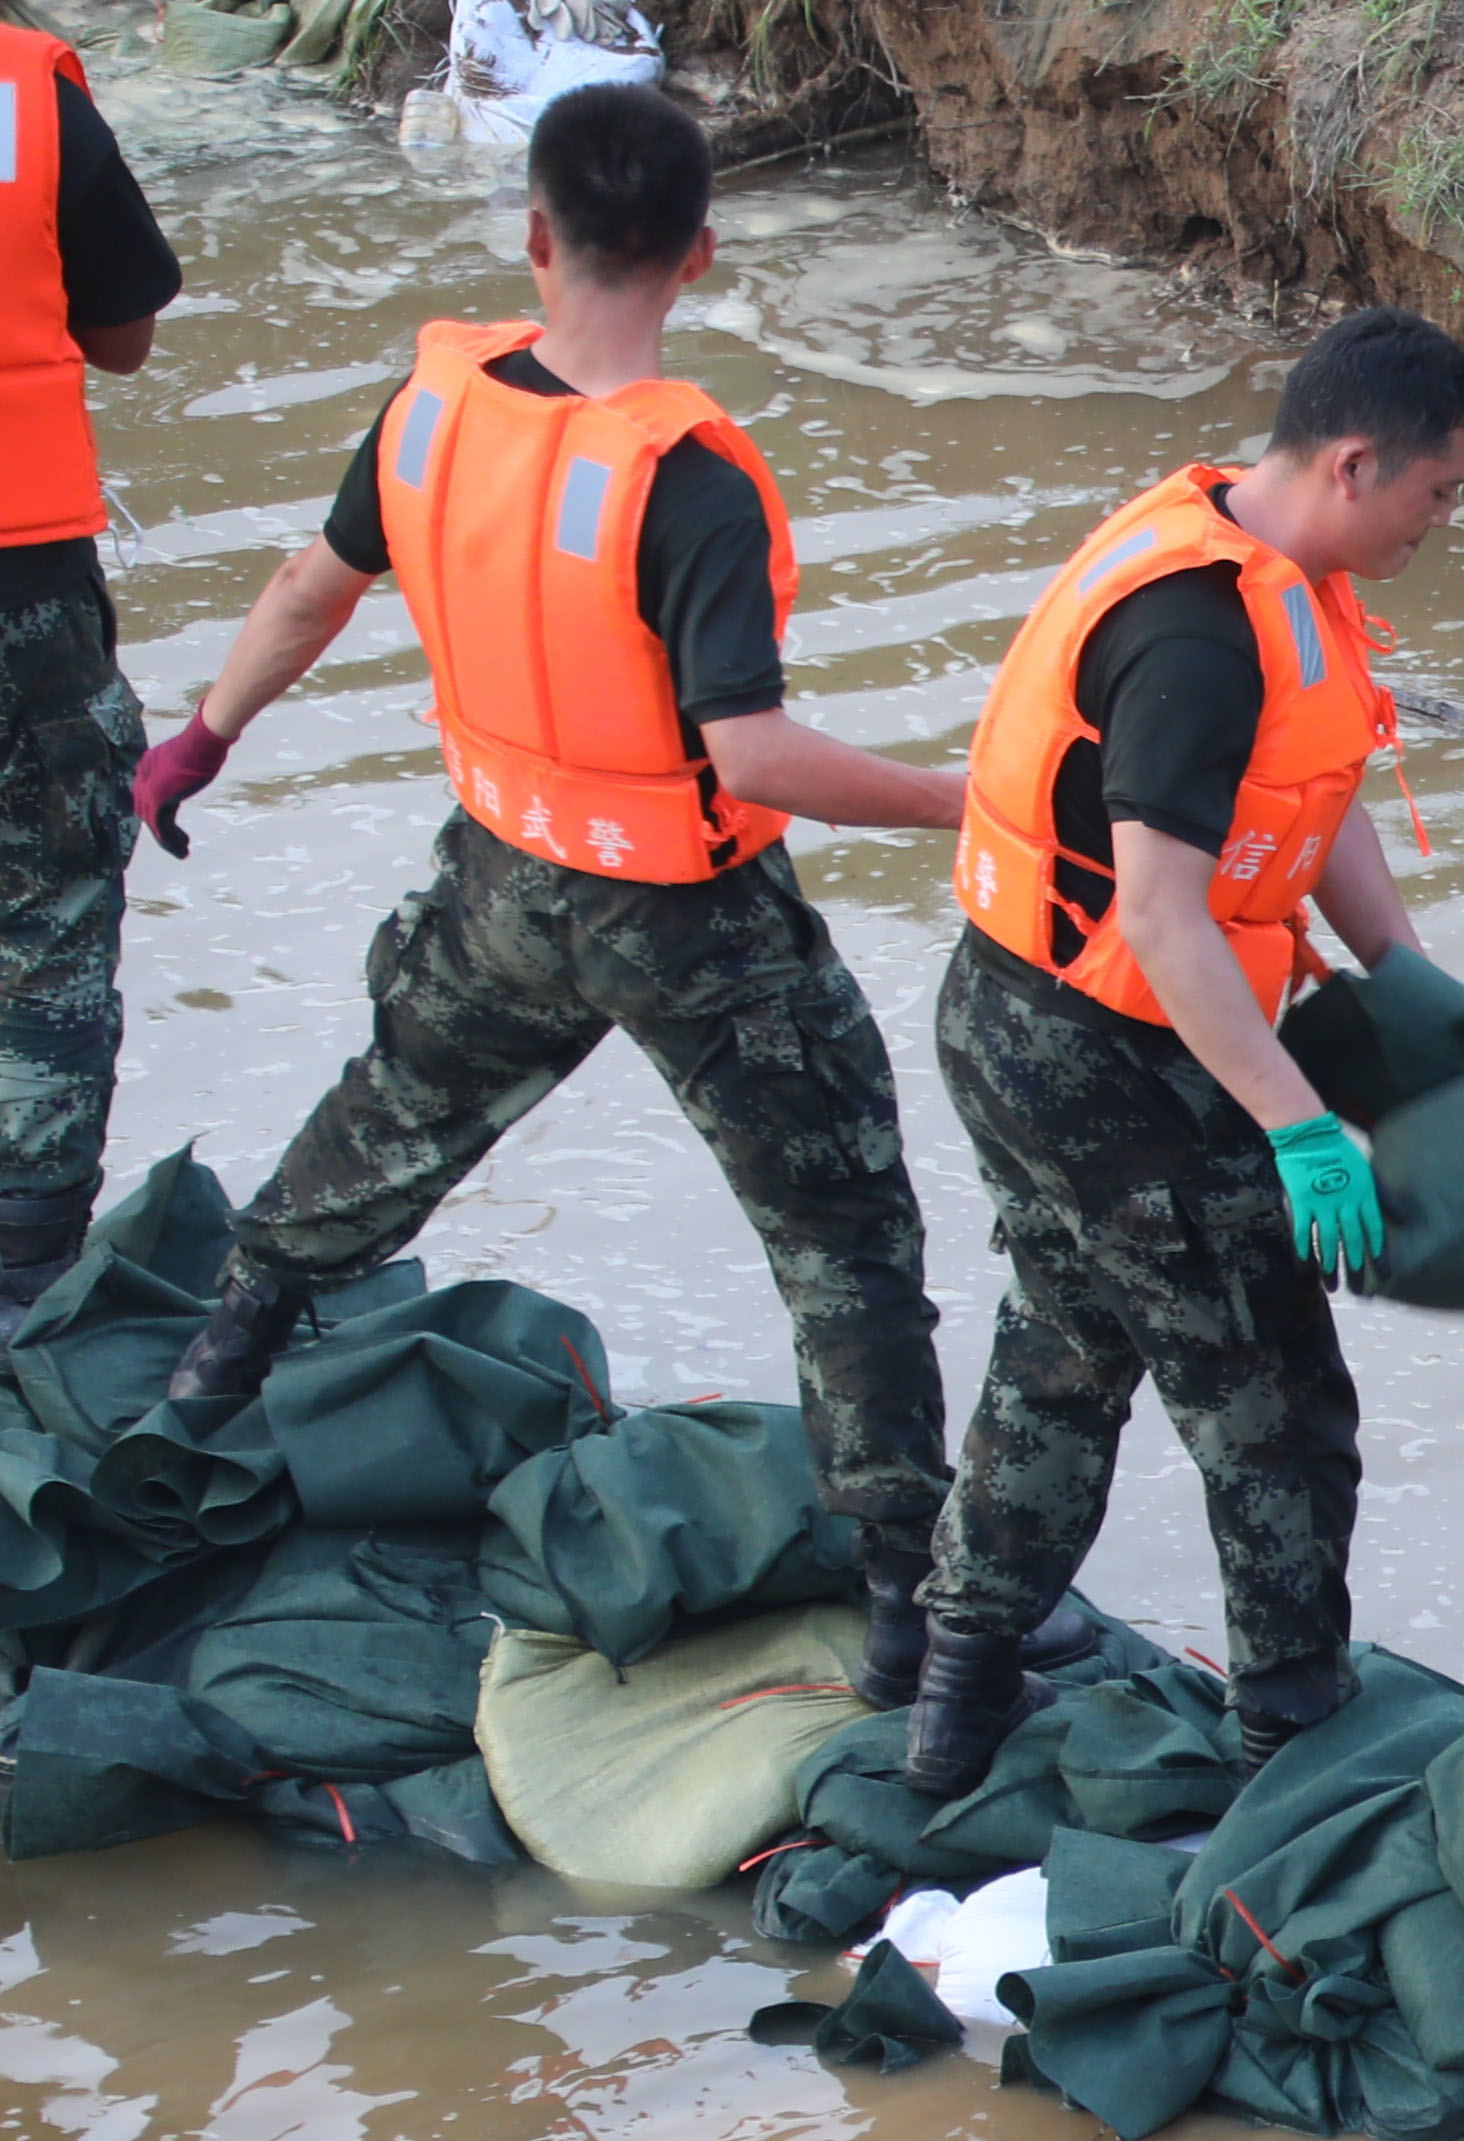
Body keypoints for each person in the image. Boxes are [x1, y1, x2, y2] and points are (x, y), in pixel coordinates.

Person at [123, 85, 960, 1666]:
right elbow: (757, 762)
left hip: (502, 875)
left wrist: (202, 737)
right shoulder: (691, 480)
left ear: (533, 233)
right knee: (846, 1241)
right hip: (693, 922)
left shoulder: (432, 411)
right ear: (701, 255)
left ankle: (207, 1383)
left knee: (385, 1126)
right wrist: (968, 803)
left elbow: (312, 587)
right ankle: (913, 1593)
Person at [895, 306, 1464, 1801]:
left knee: (1067, 1346)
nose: (1446, 520)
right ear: (1358, 464)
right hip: (1098, 1054)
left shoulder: (1277, 568)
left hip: (1040, 1021)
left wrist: (1406, 978)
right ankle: (1292, 1750)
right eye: (1441, 491)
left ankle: (950, 1693)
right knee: (1276, 1405)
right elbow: (1163, 919)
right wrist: (1300, 1127)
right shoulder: (1198, 633)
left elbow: (1316, 793)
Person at [0, 18, 177, 1300]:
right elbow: (122, 335)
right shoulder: (28, 96)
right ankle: (20, 1286)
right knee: (51, 907)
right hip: (22, 577)